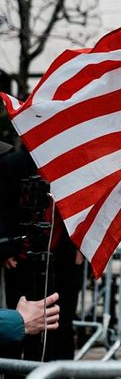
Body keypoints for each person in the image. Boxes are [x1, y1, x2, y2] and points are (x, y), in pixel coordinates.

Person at [0, 144, 84, 361]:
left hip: (63, 258)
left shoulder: (75, 161)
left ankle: (60, 370)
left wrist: (82, 244)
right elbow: (4, 206)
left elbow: (85, 204)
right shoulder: (14, 162)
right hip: (23, 258)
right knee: (20, 319)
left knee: (62, 323)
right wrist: (6, 249)